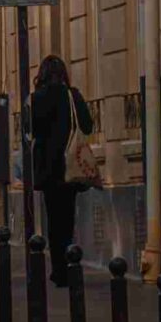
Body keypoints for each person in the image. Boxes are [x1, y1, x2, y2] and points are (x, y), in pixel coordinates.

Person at [30, 54, 93, 284]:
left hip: (48, 167)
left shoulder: (36, 98)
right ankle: (69, 264)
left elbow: (30, 131)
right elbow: (87, 124)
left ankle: (58, 269)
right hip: (70, 164)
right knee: (68, 218)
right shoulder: (72, 95)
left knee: (53, 219)